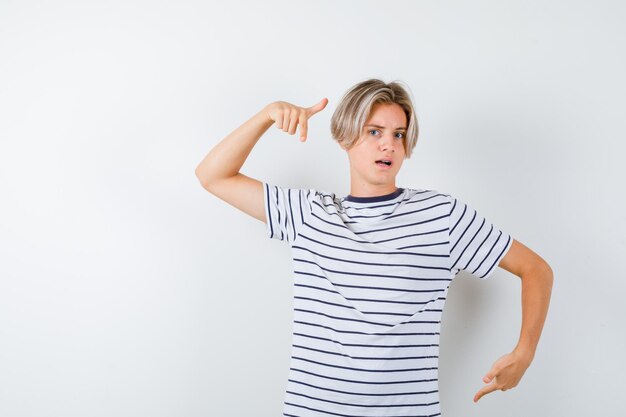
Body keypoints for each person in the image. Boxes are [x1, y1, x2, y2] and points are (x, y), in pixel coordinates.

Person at [195, 78, 553, 416]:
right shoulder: (309, 214)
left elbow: (535, 269)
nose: (389, 145)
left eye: (399, 134)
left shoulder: (441, 216)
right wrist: (266, 114)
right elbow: (212, 175)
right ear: (345, 137)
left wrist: (525, 353)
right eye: (374, 132)